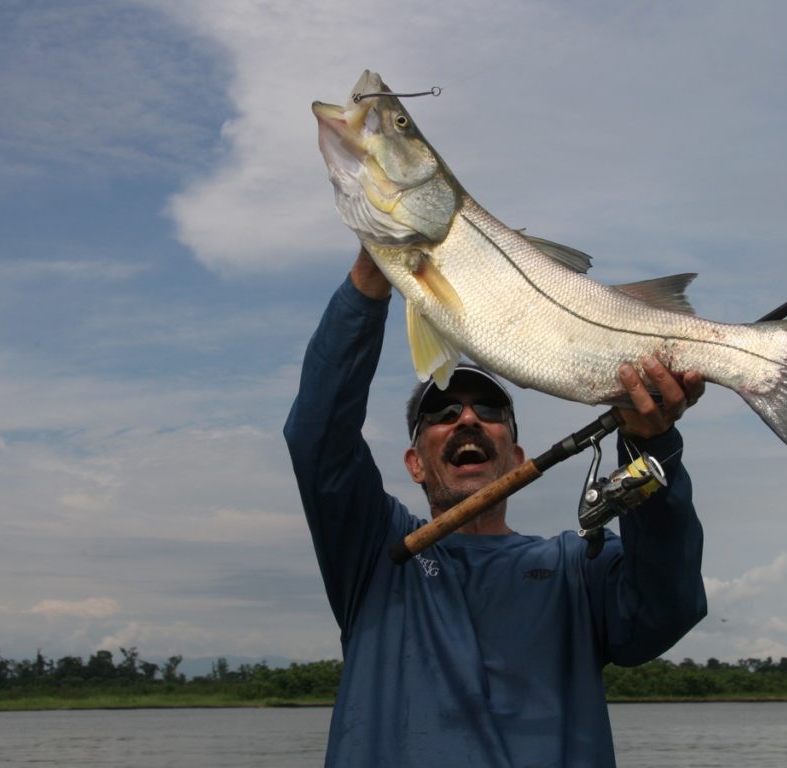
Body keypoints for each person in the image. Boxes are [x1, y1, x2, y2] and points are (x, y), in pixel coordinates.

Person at [285, 249, 707, 767]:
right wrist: (374, 272)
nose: (466, 418)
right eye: (440, 411)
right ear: (415, 463)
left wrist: (652, 447)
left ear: (517, 457)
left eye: (489, 410)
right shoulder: (375, 555)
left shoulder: (579, 566)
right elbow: (317, 438)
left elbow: (665, 611)